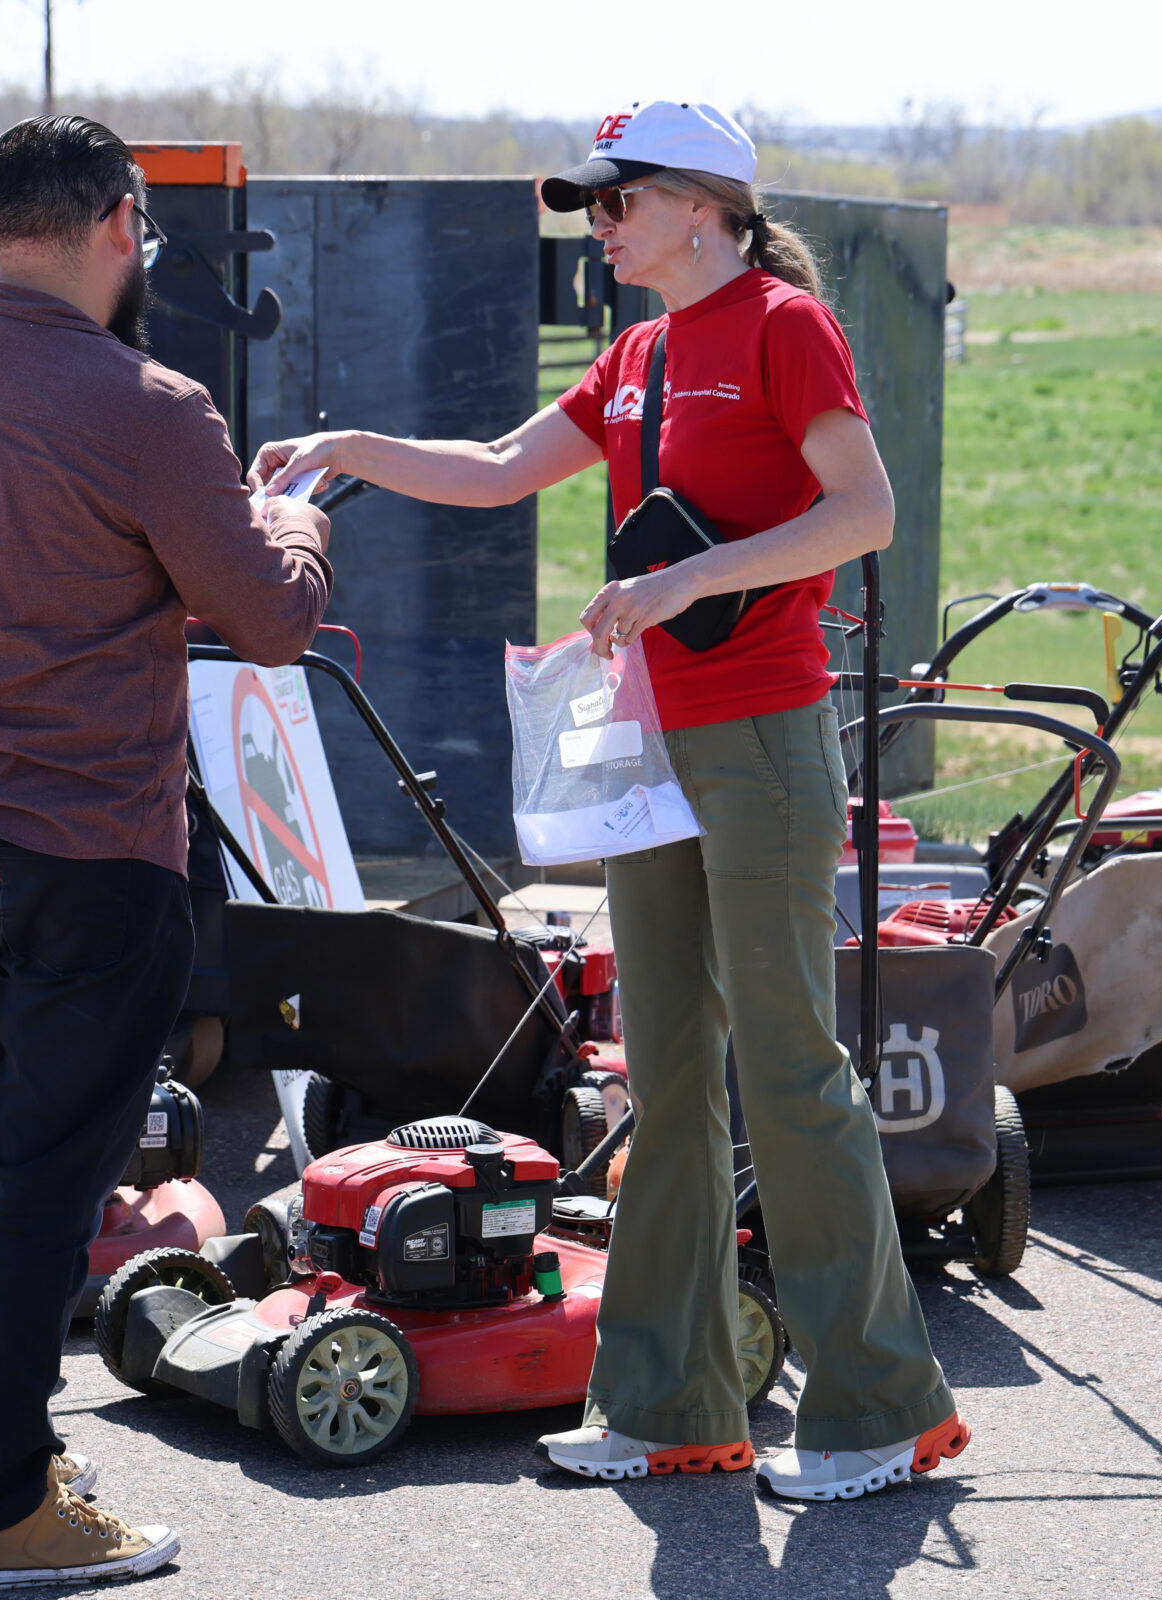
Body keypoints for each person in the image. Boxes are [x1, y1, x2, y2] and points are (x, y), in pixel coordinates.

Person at [249, 98, 963, 1503]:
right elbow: (504, 468)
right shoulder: (638, 351)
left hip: (760, 734)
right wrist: (348, 446)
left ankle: (883, 1412)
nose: (598, 224)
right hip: (654, 753)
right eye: (592, 204)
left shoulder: (777, 323)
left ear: (703, 207)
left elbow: (863, 511)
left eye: (616, 200)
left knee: (789, 1067)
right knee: (669, 1073)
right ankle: (668, 1404)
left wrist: (688, 579)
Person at [0, 115, 332, 1587]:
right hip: (92, 844)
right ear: (121, 221)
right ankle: (2, 1514)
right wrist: (290, 525)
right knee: (49, 1177)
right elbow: (273, 622)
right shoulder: (157, 407)